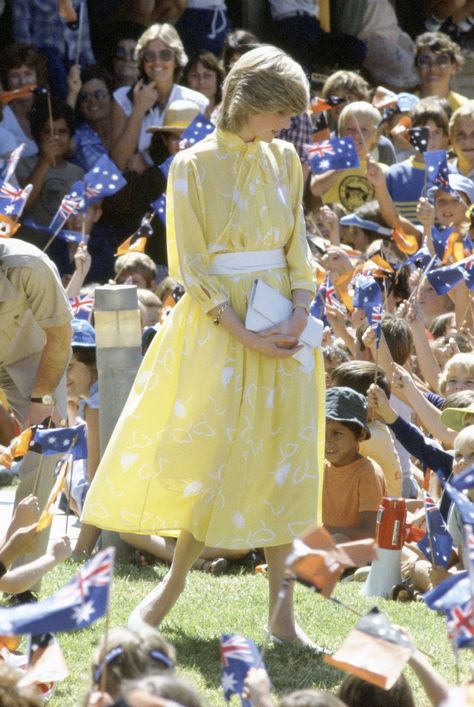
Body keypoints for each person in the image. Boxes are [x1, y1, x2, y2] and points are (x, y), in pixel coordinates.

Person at [82, 45, 325, 648]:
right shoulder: (191, 164)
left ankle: (282, 615)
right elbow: (190, 264)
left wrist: (298, 312)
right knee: (211, 460)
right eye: (280, 113)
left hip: (283, 328)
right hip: (219, 334)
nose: (285, 126)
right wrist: (245, 333)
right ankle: (171, 587)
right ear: (253, 103)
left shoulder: (287, 159)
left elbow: (300, 247)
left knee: (284, 464)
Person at [0, 237, 72, 574]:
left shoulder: (30, 265)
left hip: (35, 358)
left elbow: (59, 335)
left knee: (44, 451)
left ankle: (21, 580)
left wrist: (42, 400)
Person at [110, 23, 208, 172]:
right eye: (149, 55)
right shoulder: (122, 98)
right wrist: (138, 109)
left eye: (165, 55)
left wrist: (150, 171)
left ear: (176, 60)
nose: (157, 62)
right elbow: (118, 163)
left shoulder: (197, 102)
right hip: (139, 191)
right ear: (142, 61)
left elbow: (204, 162)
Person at [323, 387, 386, 543]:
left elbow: (370, 534)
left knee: (338, 540)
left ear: (361, 434)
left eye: (337, 433)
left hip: (358, 549)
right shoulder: (320, 467)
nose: (327, 441)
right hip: (323, 542)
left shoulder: (367, 473)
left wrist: (322, 532)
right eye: (322, 432)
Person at [0, 43, 49, 157]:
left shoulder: (48, 109)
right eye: (14, 76)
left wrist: (73, 92)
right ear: (6, 80)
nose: (22, 82)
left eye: (28, 74)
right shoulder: (1, 116)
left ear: (38, 77)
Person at [415, 31, 468, 112]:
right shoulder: (404, 107)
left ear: (453, 67)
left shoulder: (466, 109)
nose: (433, 68)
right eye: (425, 61)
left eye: (441, 62)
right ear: (416, 68)